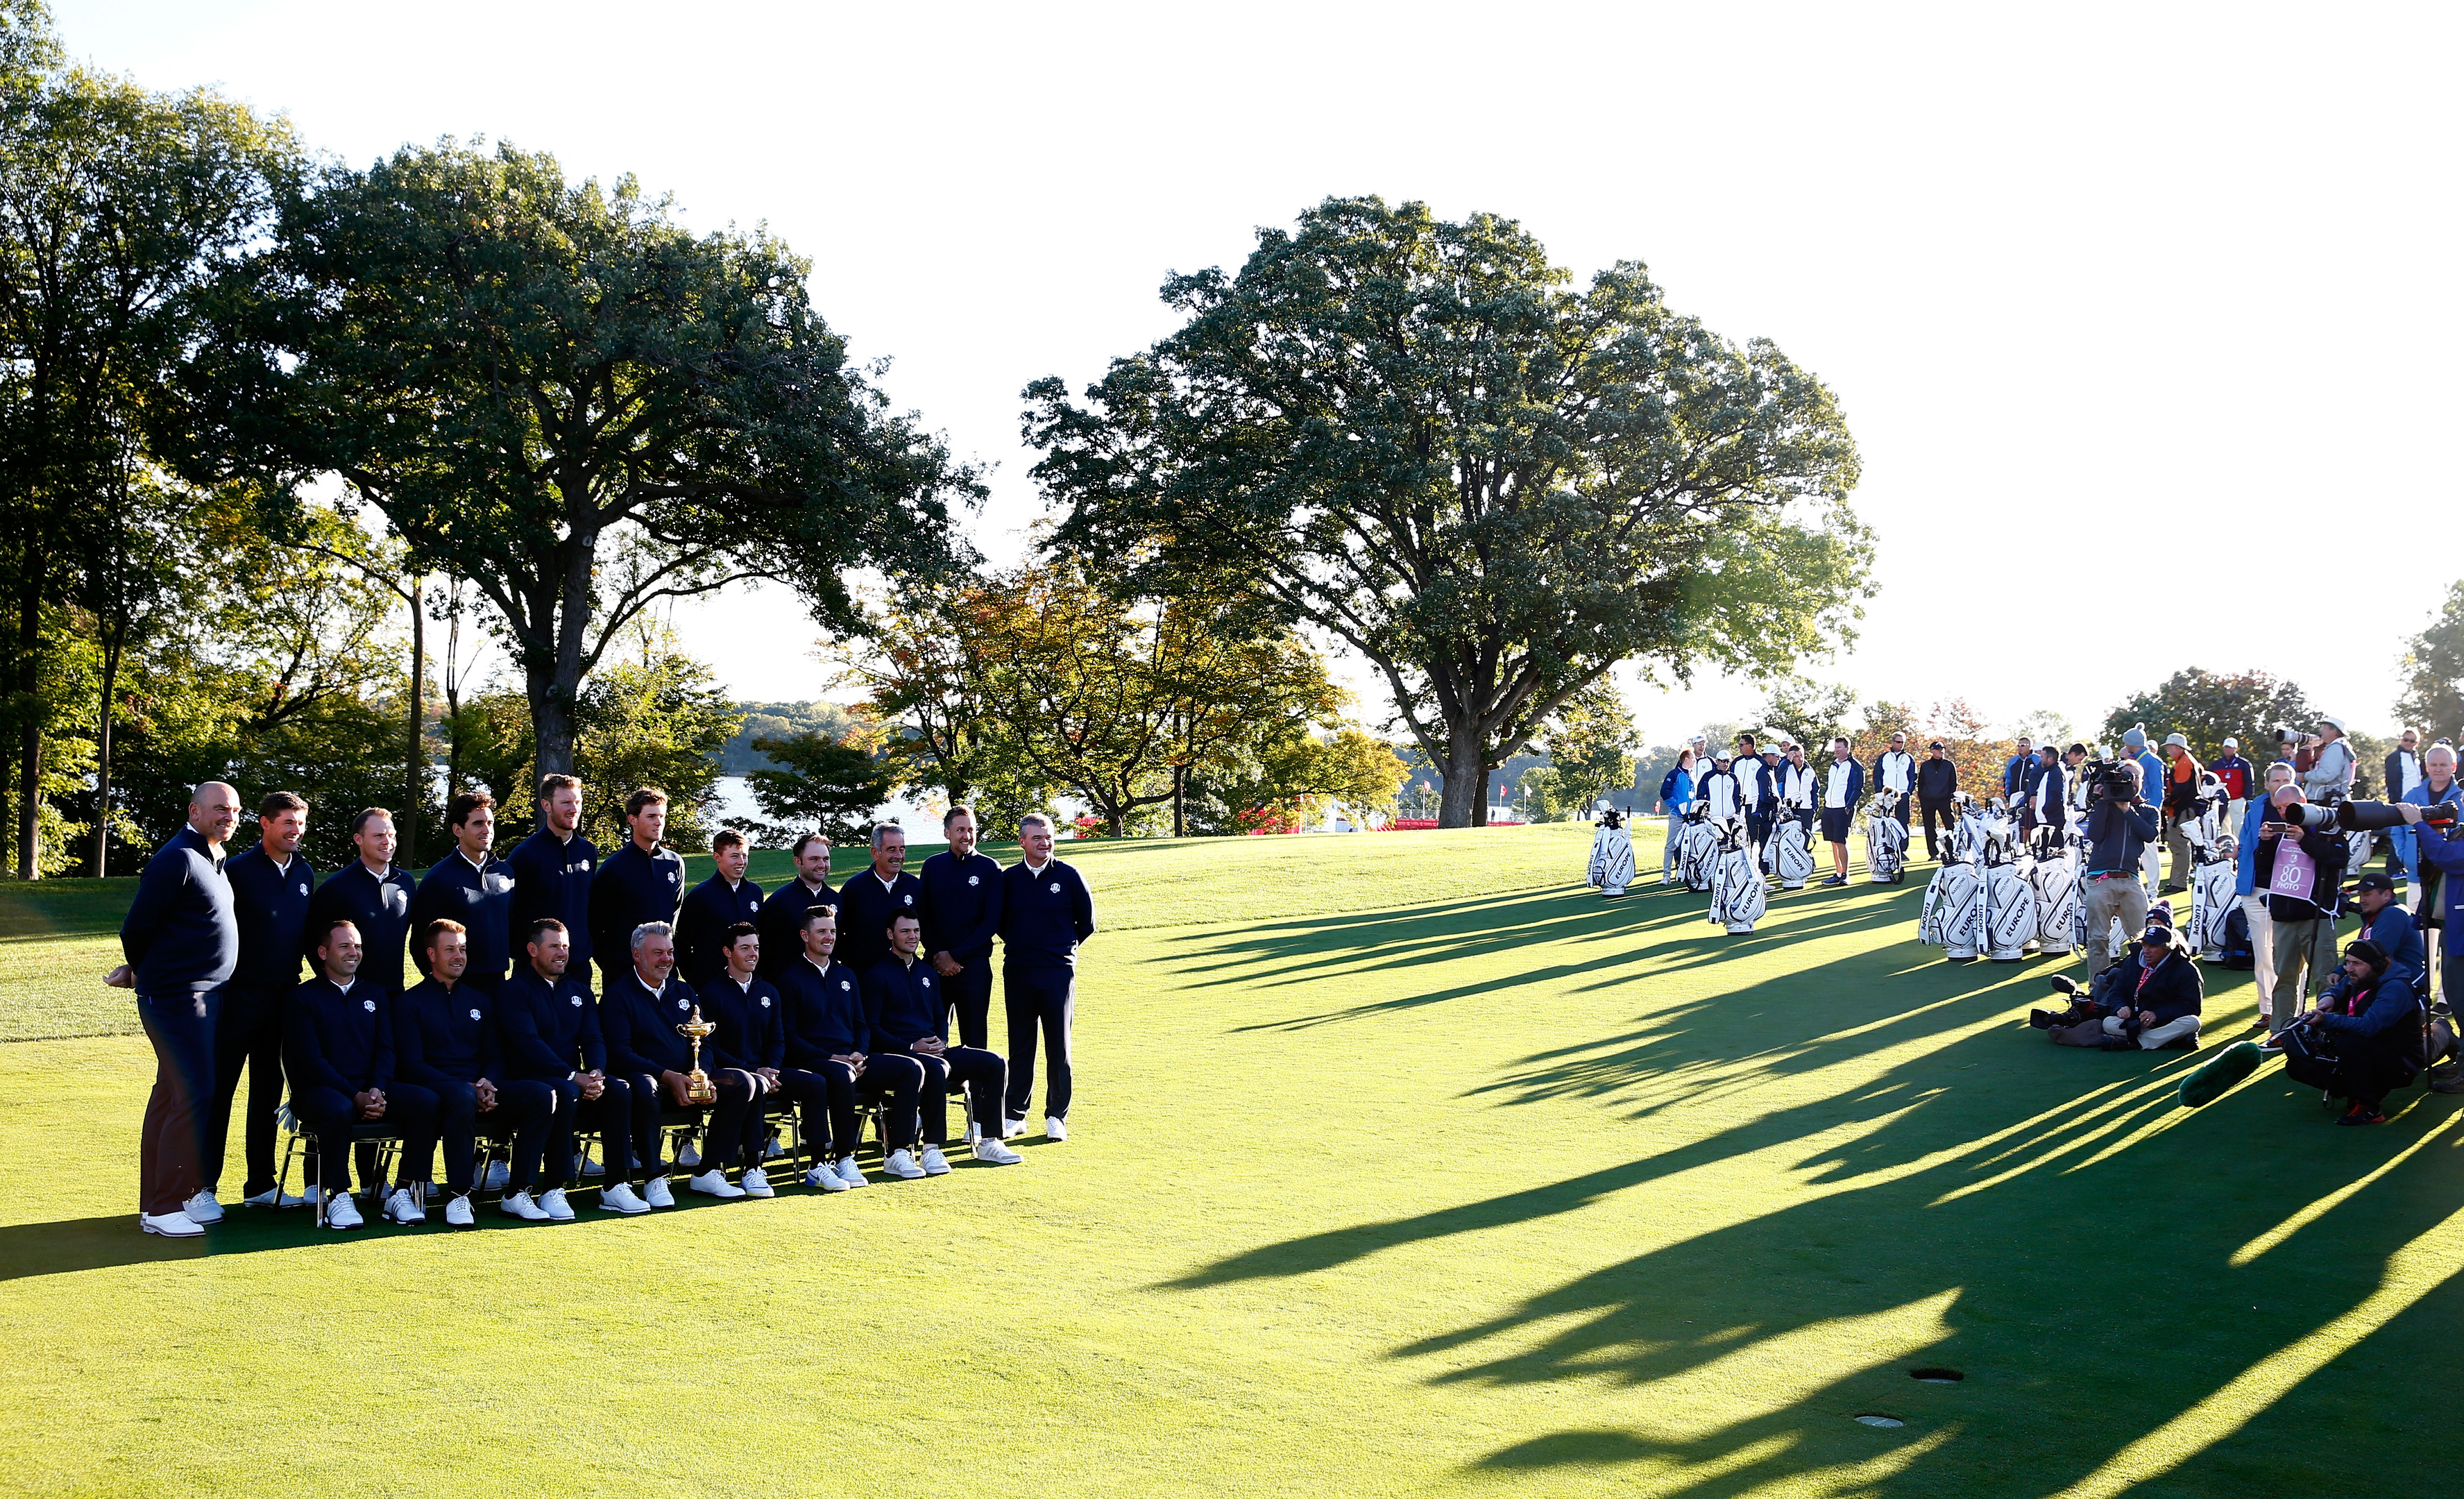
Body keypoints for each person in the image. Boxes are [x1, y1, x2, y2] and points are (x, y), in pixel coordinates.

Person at [111, 781, 243, 1237]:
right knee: (193, 1093)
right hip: (177, 998)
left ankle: (157, 1205)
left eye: (234, 810)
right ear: (195, 810)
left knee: (172, 1094)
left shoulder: (214, 858)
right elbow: (137, 927)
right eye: (220, 809)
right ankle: (167, 1205)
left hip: (202, 997)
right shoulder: (177, 858)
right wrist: (143, 971)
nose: (228, 816)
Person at [394, 918, 555, 1228]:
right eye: (450, 950)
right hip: (439, 1089)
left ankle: (518, 1192)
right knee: (462, 1094)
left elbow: (495, 1057)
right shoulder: (409, 1003)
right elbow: (412, 1065)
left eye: (463, 950)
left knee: (540, 1094)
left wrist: (488, 1083)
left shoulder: (481, 1001)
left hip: (479, 1089)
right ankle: (458, 1195)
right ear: (431, 955)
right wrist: (468, 1086)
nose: (459, 956)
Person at [283, 918, 440, 1229]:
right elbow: (311, 1060)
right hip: (318, 1092)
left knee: (427, 1102)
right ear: (323, 952)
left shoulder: (376, 994)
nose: (353, 952)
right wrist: (354, 1095)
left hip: (369, 1089)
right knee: (339, 1109)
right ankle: (339, 1195)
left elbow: (386, 1050)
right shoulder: (302, 998)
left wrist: (377, 1090)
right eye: (344, 946)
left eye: (357, 946)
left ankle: (402, 1191)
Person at [497, 917, 653, 1219]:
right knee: (565, 1089)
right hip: (525, 1079)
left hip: (573, 1078)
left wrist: (596, 1072)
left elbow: (593, 1038)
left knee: (618, 1089)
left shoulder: (580, 991)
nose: (562, 953)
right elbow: (528, 1044)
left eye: (566, 946)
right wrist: (573, 1076)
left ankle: (616, 1184)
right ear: (532, 949)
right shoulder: (513, 991)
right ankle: (546, 1188)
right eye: (553, 946)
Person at [210, 789, 314, 1213]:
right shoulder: (235, 870)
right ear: (265, 824)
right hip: (239, 997)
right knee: (220, 1093)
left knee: (269, 1093)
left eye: (301, 824)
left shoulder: (305, 873)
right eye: (288, 823)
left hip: (284, 999)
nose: (296, 831)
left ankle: (258, 1184)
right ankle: (202, 1187)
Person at [600, 921, 754, 1201]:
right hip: (648, 1082)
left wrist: (703, 1074)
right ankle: (652, 1178)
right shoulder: (617, 995)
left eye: (670, 952)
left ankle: (709, 1171)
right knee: (645, 1086)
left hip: (687, 1081)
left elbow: (704, 1042)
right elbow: (619, 1054)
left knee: (742, 1082)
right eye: (658, 953)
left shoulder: (684, 991)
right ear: (637, 955)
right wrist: (667, 1076)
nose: (666, 959)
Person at [865, 911, 1023, 1171]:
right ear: (890, 934)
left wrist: (942, 1041)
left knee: (994, 1062)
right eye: (905, 931)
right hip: (901, 1055)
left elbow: (940, 1014)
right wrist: (911, 1047)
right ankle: (930, 1149)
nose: (912, 937)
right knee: (936, 1069)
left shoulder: (927, 973)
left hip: (936, 1051)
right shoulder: (876, 975)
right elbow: (872, 1029)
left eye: (916, 931)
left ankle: (990, 1141)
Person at [777, 906, 905, 1189]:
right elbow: (790, 1036)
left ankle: (899, 1152)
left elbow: (861, 1024)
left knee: (910, 1069)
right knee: (839, 1074)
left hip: (854, 1059)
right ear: (804, 935)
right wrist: (831, 1057)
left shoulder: (846, 975)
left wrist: (860, 1052)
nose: (829, 937)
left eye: (832, 931)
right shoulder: (789, 980)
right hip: (814, 1060)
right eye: (821, 931)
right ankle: (840, 1158)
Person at [1000, 811, 1096, 1137]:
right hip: (1019, 971)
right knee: (1021, 1044)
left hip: (1057, 972)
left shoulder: (1069, 876)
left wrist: (1061, 950)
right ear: (1023, 841)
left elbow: (1087, 924)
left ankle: (1057, 1115)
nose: (1045, 843)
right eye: (1037, 838)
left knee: (1059, 1045)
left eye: (1049, 836)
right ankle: (1015, 1114)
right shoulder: (1009, 879)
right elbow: (999, 922)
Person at [2273, 939, 2424, 1125]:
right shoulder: (2362, 977)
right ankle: (2357, 1093)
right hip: (2378, 1051)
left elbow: (2369, 1026)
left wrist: (2326, 1020)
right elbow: (2338, 989)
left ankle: (2370, 1108)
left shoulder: (2396, 988)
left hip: (2402, 1064)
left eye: (2357, 963)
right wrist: (2328, 998)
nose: (2349, 969)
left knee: (2350, 1040)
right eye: (2348, 962)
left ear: (2377, 965)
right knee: (2299, 1065)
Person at [696, 922, 790, 1191]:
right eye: (745, 948)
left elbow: (777, 1039)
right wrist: (753, 1070)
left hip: (766, 1073)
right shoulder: (711, 993)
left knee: (816, 1083)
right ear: (728, 952)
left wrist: (771, 1069)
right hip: (727, 1073)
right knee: (755, 1084)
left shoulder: (769, 991)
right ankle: (752, 1168)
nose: (753, 954)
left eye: (757, 948)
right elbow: (710, 1046)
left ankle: (822, 1162)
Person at [2253, 784, 2348, 1032]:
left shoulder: (2324, 826)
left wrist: (2305, 840)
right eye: (2279, 808)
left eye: (2287, 806)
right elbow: (2262, 869)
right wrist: (2264, 843)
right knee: (2284, 979)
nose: (2283, 812)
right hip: (2284, 917)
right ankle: (2281, 1031)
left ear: (2302, 801)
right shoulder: (2280, 831)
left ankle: (2329, 1031)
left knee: (2325, 978)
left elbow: (2339, 859)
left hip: (2316, 915)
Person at [409, 792, 515, 995]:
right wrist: (442, 985)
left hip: (499, 983)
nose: (487, 830)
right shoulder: (438, 879)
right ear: (458, 829)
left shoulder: (506, 873)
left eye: (490, 823)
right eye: (478, 824)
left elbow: (508, 921)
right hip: (458, 986)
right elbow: (420, 940)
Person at [306, 807, 418, 999]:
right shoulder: (336, 887)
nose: (388, 842)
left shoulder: (405, 882)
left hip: (395, 994)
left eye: (392, 835)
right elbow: (312, 942)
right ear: (359, 839)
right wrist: (338, 987)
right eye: (379, 836)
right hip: (352, 996)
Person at [921, 806, 1005, 1049]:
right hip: (935, 964)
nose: (966, 836)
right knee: (933, 1035)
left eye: (971, 830)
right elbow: (923, 916)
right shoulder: (932, 866)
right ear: (947, 833)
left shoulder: (990, 868)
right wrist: (939, 954)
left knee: (975, 1036)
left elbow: (991, 922)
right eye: (960, 830)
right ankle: (936, 1087)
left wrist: (955, 956)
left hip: (974, 966)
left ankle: (976, 1089)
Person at [2042, 925, 2203, 1049]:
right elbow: (2116, 992)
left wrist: (2157, 1014)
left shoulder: (2186, 970)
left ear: (2167, 948)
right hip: (2133, 1023)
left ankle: (2135, 1043)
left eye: (2152, 947)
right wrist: (2121, 1007)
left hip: (2165, 1022)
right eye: (2144, 944)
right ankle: (2167, 1041)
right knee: (2108, 1023)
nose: (2146, 951)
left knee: (2193, 1022)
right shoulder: (2133, 961)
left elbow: (2191, 1006)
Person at [588, 788, 685, 989]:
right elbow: (595, 924)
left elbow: (673, 912)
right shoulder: (614, 868)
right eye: (651, 816)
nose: (659, 822)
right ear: (633, 820)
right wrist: (612, 964)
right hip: (623, 973)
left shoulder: (674, 863)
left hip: (664, 973)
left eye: (662, 816)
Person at [508, 773, 600, 984]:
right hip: (535, 971)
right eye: (565, 803)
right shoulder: (526, 854)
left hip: (578, 969)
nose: (574, 809)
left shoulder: (588, 852)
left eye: (578, 802)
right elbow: (509, 911)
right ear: (546, 805)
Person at [2078, 763, 2161, 972]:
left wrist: (2127, 810)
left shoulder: (2149, 811)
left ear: (2142, 781)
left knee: (2143, 938)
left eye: (2135, 777)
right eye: (2125, 776)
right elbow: (2095, 835)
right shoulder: (2104, 805)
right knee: (2097, 939)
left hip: (2131, 879)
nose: (2130, 781)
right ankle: (2096, 990)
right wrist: (2101, 802)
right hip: (2099, 879)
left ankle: (2144, 986)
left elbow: (2150, 835)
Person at [2234, 761, 2300, 1022]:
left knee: (2292, 953)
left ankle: (2295, 1008)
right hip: (2256, 888)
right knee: (2263, 953)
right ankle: (2268, 1009)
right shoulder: (2256, 808)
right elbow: (2245, 842)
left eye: (2286, 780)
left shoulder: (2304, 809)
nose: (2280, 785)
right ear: (2267, 784)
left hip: (2292, 888)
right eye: (2276, 781)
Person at [2399, 743, 2460, 1002]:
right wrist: (2406, 857)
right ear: (2426, 767)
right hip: (2419, 875)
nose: (2438, 769)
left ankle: (2445, 999)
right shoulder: (2413, 794)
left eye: (2443, 764)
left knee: (2451, 941)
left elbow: (2452, 854)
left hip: (2451, 882)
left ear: (2453, 767)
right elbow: (2397, 829)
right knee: (2423, 942)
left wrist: (2421, 824)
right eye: (2433, 764)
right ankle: (2423, 992)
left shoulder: (2460, 796)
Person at [834, 821, 925, 979]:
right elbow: (835, 931)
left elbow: (927, 926)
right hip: (863, 977)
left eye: (902, 849)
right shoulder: (854, 888)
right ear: (875, 853)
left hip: (903, 976)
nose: (898, 856)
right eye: (891, 849)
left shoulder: (915, 886)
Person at [676, 829, 765, 987]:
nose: (741, 862)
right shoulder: (701, 896)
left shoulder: (755, 893)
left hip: (749, 984)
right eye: (734, 856)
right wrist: (696, 980)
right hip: (711, 984)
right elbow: (682, 944)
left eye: (745, 856)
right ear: (717, 857)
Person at [756, 833, 837, 981]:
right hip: (788, 986)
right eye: (814, 859)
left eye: (826, 859)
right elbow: (765, 950)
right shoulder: (780, 902)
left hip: (827, 984)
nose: (822, 865)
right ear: (798, 862)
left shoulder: (835, 899)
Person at [2347, 874, 2426, 992]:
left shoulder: (2393, 914)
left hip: (2404, 989)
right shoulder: (2377, 915)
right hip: (2395, 985)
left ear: (2386, 895)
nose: (2361, 900)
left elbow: (2372, 957)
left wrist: (2337, 990)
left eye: (2367, 895)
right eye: (2360, 895)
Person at [2118, 727, 2166, 894]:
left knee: (2149, 854)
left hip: (2146, 812)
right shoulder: (2132, 758)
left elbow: (2157, 789)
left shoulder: (2153, 761)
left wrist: (2152, 813)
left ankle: (2152, 890)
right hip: (2130, 809)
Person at [2159, 733, 2205, 895]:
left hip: (2182, 811)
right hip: (2184, 810)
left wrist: (2168, 803)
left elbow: (2181, 788)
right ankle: (2178, 881)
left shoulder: (2184, 762)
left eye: (2170, 747)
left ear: (2178, 747)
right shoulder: (2187, 761)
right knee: (2179, 845)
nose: (2168, 751)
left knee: (2179, 845)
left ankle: (2179, 882)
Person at [2380, 728, 2424, 881]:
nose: (2408, 743)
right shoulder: (2394, 757)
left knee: (2412, 834)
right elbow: (2391, 781)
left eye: (2412, 741)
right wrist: (2395, 801)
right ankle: (2393, 869)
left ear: (2417, 743)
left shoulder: (2417, 758)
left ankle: (2406, 866)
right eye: (2406, 740)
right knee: (2398, 834)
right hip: (2400, 801)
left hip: (2416, 802)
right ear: (2401, 740)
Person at [1819, 737, 1864, 886]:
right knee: (1833, 842)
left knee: (1840, 841)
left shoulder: (1855, 766)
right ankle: (1838, 873)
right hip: (1830, 808)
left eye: (1839, 747)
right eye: (1835, 747)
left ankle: (1845, 874)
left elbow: (1858, 789)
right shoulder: (1833, 765)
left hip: (1843, 808)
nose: (1836, 750)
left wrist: (1849, 806)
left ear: (1847, 749)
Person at [1656, 748, 1697, 885]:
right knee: (1672, 845)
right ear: (1686, 759)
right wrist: (1676, 805)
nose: (1694, 761)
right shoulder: (1675, 774)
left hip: (1690, 818)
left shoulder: (1692, 775)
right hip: (1678, 816)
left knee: (1691, 846)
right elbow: (1665, 791)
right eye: (1693, 759)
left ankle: (1689, 874)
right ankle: (1666, 875)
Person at [1914, 740, 1958, 861]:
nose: (1941, 751)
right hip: (1928, 800)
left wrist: (1949, 796)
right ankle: (1933, 853)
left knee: (1950, 825)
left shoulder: (1949, 765)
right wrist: (1922, 796)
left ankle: (1952, 851)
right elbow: (1921, 782)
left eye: (1942, 749)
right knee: (1929, 827)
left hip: (1944, 800)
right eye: (1938, 749)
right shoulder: (1926, 765)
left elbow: (1953, 783)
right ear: (1932, 751)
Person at [2301, 715, 2356, 803]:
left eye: (2324, 728)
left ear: (2334, 730)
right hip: (2329, 799)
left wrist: (2304, 776)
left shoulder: (2336, 748)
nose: (2321, 730)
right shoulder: (2339, 747)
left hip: (2326, 800)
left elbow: (2326, 775)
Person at [1871, 731, 1915, 832]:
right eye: (1898, 742)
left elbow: (1913, 777)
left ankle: (1903, 846)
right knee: (1885, 819)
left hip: (1902, 794)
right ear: (1893, 742)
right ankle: (1886, 845)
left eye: (1902, 742)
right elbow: (1877, 775)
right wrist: (1879, 791)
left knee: (1903, 821)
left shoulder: (1909, 758)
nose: (1900, 744)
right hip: (1887, 794)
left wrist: (1909, 792)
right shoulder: (1884, 757)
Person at [2020, 743, 2065, 840]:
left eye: (2042, 757)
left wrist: (2045, 810)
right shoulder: (2048, 771)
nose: (2040, 759)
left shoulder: (2055, 773)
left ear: (2050, 759)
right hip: (2045, 819)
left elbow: (2056, 794)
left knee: (2052, 849)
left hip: (2052, 819)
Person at [2211, 737, 2255, 833]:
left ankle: (2240, 845)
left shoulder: (2243, 764)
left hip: (2237, 798)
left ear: (2236, 748)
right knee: (2223, 825)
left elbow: (2249, 781)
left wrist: (2245, 797)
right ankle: (2225, 845)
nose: (2228, 749)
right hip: (2221, 800)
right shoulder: (2216, 764)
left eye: (2230, 747)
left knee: (2238, 824)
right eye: (2226, 747)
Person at [2001, 737, 2035, 801]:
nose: (2020, 748)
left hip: (2031, 797)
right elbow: (2008, 778)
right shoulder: (2013, 760)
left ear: (2030, 746)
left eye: (2023, 745)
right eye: (2018, 746)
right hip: (2014, 796)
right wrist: (2008, 794)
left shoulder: (2037, 759)